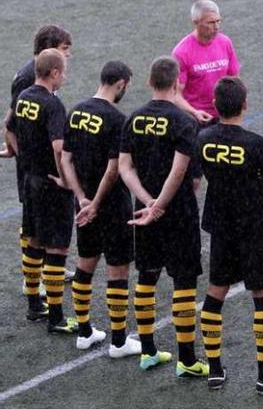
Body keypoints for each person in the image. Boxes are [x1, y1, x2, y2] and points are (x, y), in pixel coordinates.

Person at [197, 77, 263, 393]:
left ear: (216, 105)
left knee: (215, 291)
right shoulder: (257, 144)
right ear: (245, 105)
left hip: (221, 224)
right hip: (253, 224)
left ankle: (214, 369)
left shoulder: (203, 138)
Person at [118, 56, 207, 376]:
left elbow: (124, 168)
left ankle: (148, 351)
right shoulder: (185, 122)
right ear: (177, 83)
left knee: (147, 275)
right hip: (177, 210)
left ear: (149, 83)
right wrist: (161, 204)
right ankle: (187, 360)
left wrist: (147, 201)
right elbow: (185, 173)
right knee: (184, 281)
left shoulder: (134, 118)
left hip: (142, 211)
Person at [59, 60, 141, 356]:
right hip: (111, 205)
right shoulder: (117, 119)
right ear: (120, 83)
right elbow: (113, 169)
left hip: (82, 205)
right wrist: (96, 203)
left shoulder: (76, 110)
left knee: (85, 262)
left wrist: (81, 197)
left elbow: (65, 159)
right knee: (117, 270)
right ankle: (119, 341)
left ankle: (84, 331)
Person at [7, 49, 76, 333]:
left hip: (30, 180)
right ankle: (57, 317)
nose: (65, 76)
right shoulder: (52, 104)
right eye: (64, 71)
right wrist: (65, 179)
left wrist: (20, 155)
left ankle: (35, 305)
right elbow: (59, 147)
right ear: (55, 73)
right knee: (57, 247)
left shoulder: (24, 97)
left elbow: (8, 127)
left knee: (34, 240)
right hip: (50, 184)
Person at [172, 0, 240, 124]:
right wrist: (194, 112)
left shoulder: (225, 43)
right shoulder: (182, 52)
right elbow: (175, 94)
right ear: (196, 22)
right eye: (210, 22)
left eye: (218, 21)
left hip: (223, 116)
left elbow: (234, 80)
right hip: (196, 120)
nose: (216, 27)